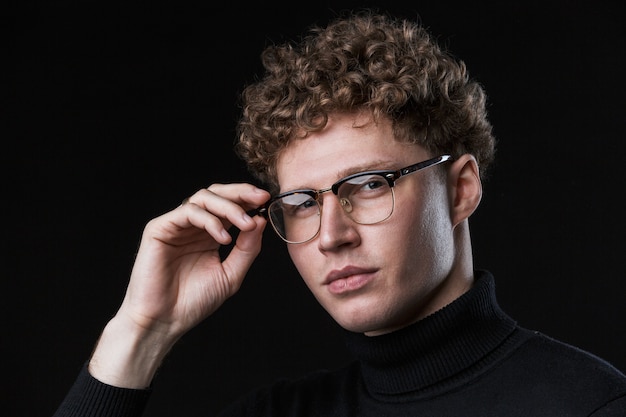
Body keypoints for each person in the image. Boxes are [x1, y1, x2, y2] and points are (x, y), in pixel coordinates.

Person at [53, 10, 626, 417]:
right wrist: (142, 331)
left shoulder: (589, 404)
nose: (331, 236)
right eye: (302, 202)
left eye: (369, 185)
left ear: (461, 190)